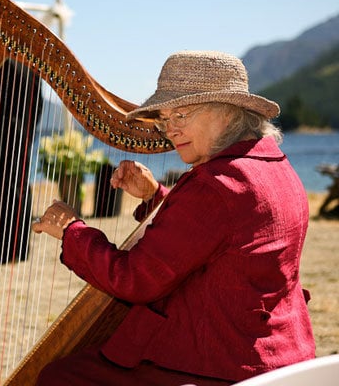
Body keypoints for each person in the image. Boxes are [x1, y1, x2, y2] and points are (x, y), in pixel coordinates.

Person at [32, 51, 315, 385]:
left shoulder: (217, 185)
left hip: (220, 364)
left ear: (228, 112)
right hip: (283, 355)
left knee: (60, 377)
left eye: (182, 114)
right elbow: (224, 235)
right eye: (165, 119)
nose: (170, 130)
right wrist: (157, 197)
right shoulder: (276, 166)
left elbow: (134, 280)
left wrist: (71, 230)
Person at [0, 59, 43, 265]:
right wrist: (28, 130)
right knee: (21, 188)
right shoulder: (30, 68)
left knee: (4, 190)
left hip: (0, 134)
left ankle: (6, 250)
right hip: (22, 133)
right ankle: (21, 248)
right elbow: (38, 105)